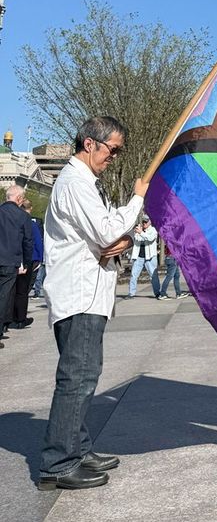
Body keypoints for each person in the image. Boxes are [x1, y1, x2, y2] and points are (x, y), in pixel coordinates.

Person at [39, 116, 148, 489]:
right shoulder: (75, 183)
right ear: (90, 143)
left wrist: (126, 239)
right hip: (78, 294)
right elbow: (105, 232)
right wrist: (137, 198)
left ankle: (78, 448)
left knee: (84, 376)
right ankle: (58, 462)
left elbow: (111, 235)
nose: (114, 156)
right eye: (112, 149)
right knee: (78, 378)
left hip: (87, 292)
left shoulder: (86, 184)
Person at [0, 185, 33, 345]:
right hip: (9, 261)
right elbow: (28, 241)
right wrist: (27, 262)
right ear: (19, 199)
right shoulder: (22, 216)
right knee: (4, 296)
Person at [10, 193, 41, 329]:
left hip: (15, 258)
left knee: (14, 290)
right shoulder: (29, 221)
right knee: (23, 291)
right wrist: (39, 258)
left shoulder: (13, 220)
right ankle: (20, 318)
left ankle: (11, 316)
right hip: (29, 258)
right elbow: (35, 241)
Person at [124, 215, 160, 299]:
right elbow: (137, 239)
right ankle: (131, 293)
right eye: (143, 221)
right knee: (134, 275)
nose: (144, 223)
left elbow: (150, 238)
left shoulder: (153, 230)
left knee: (153, 276)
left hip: (150, 257)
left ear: (150, 221)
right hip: (138, 257)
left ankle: (157, 293)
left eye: (146, 221)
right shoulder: (138, 229)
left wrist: (141, 233)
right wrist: (138, 232)